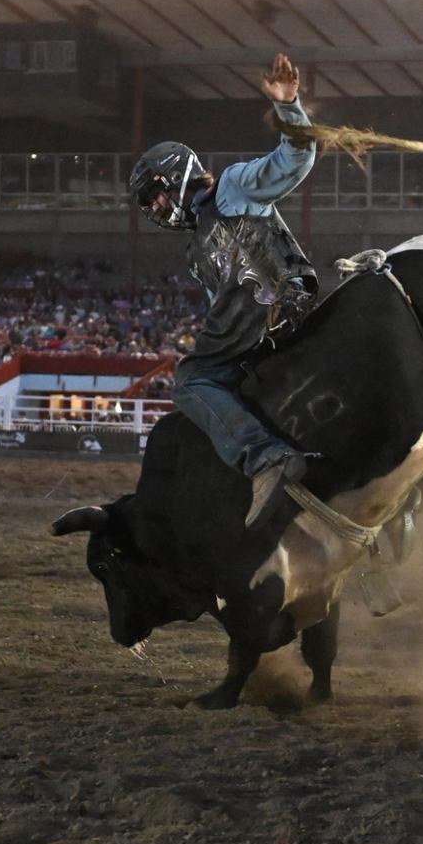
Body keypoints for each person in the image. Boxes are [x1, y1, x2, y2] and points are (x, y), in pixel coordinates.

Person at [130, 54, 319, 524]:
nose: (155, 207)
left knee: (193, 381)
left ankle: (264, 457)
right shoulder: (196, 249)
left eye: (155, 194)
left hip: (263, 313)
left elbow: (293, 162)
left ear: (175, 175)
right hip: (271, 314)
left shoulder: (231, 188)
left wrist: (289, 105)